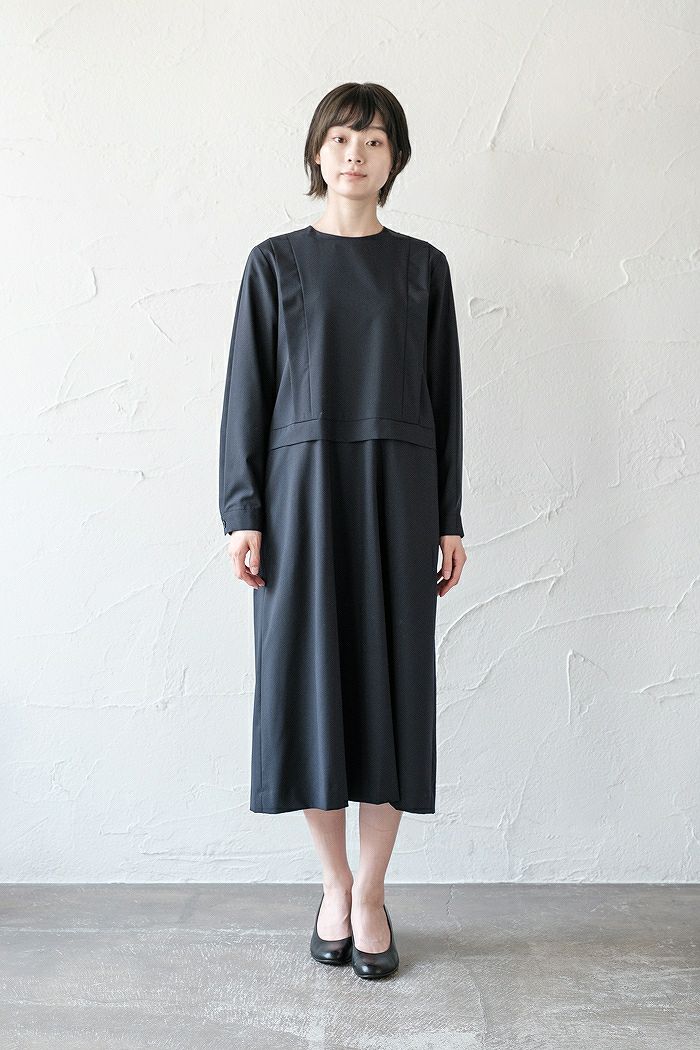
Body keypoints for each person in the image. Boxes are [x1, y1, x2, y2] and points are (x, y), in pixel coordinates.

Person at [219, 82, 467, 978]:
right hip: (300, 500)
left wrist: (448, 517)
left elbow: (446, 398)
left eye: (374, 139)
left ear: (395, 159)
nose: (355, 153)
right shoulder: (274, 264)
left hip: (400, 498)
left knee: (390, 691)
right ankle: (332, 885)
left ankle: (371, 893)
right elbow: (246, 394)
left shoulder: (422, 268)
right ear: (317, 152)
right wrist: (243, 513)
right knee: (310, 690)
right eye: (340, 137)